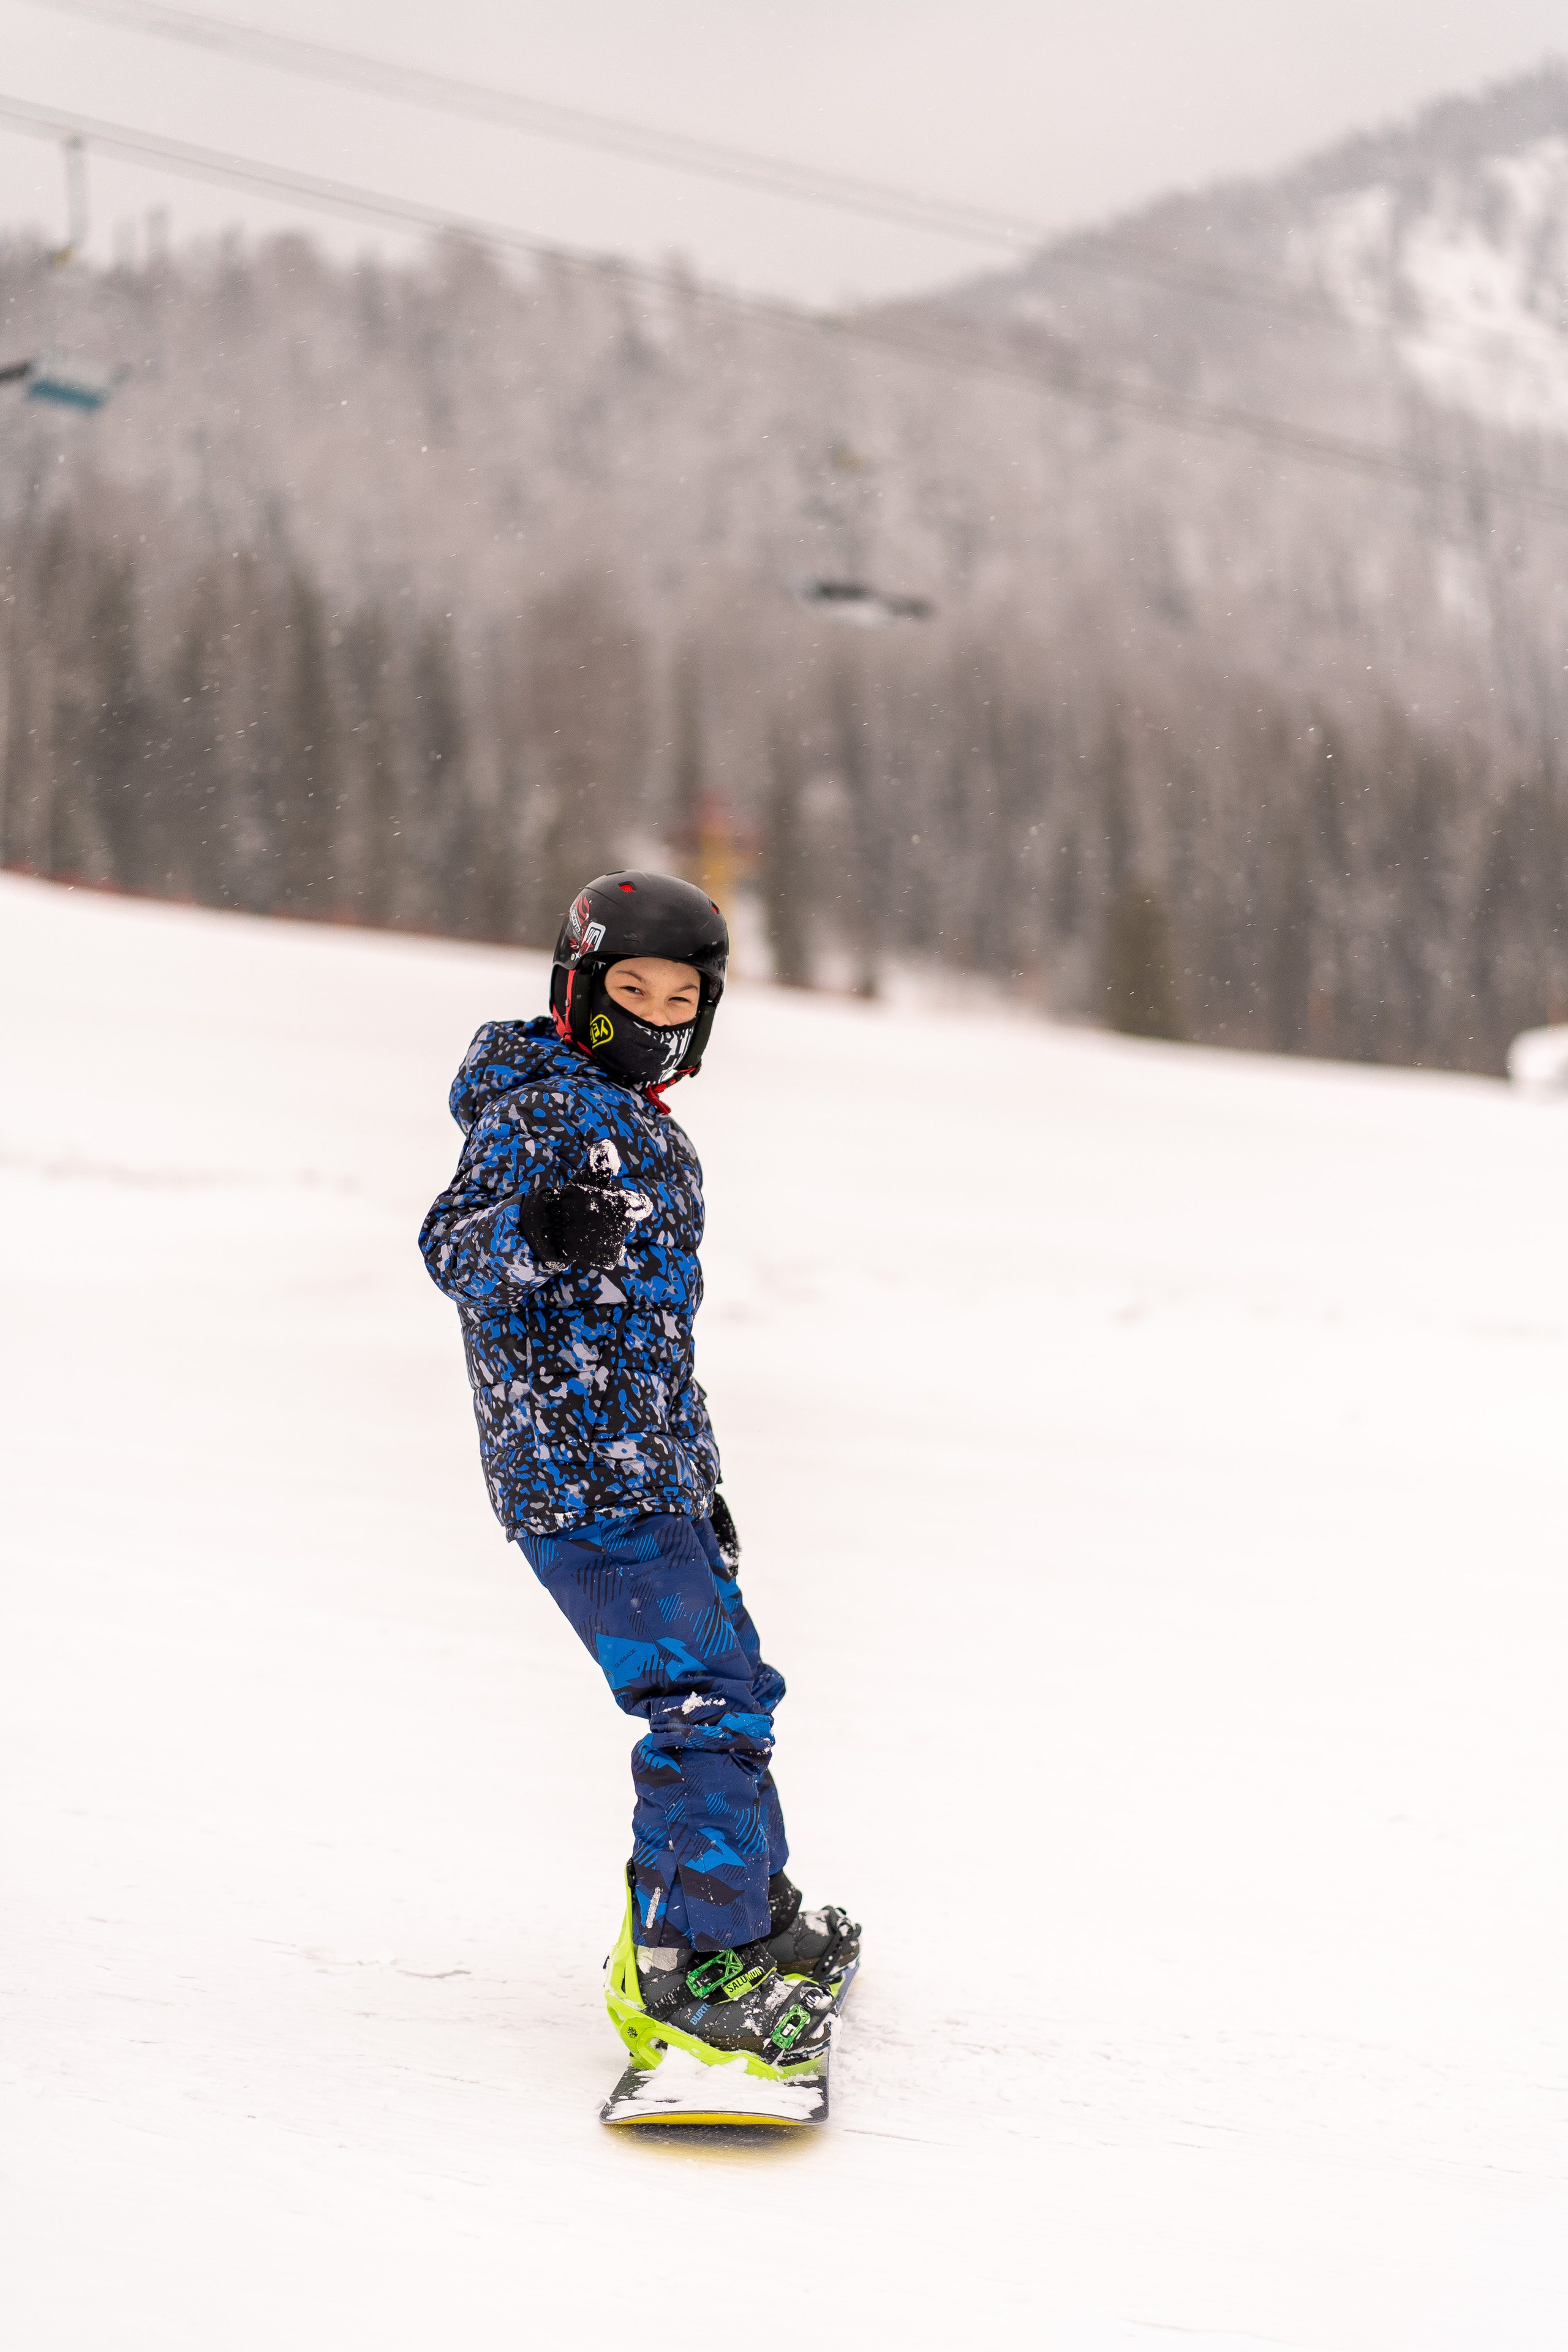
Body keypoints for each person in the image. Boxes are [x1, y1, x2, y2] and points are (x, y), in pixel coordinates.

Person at [420, 870, 858, 2074]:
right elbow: (453, 1242)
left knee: (730, 1686)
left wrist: (688, 1471)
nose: (655, 1016)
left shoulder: (632, 1116)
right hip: (578, 1478)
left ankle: (746, 1918)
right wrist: (531, 1233)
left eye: (680, 997)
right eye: (630, 990)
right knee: (703, 1703)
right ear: (577, 986)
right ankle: (692, 1979)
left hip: (639, 1469)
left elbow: (648, 1333)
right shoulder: (541, 1114)